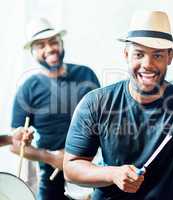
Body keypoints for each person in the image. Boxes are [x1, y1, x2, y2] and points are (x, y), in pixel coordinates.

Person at [63, 11, 173, 200]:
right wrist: (112, 174)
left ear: (170, 57)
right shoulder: (96, 103)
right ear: (126, 54)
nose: (147, 64)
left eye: (157, 55)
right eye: (139, 54)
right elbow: (71, 168)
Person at [10, 18, 100, 200]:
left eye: (53, 41)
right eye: (40, 45)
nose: (49, 48)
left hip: (92, 169)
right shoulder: (27, 89)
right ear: (32, 51)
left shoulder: (86, 75)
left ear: (61, 42)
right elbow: (14, 145)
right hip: (51, 178)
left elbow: (104, 119)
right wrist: (51, 157)